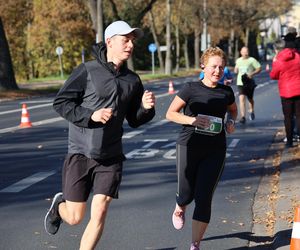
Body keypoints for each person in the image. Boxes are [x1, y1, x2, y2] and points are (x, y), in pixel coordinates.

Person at [44, 20, 156, 249]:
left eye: (132, 40)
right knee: (75, 217)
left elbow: (135, 120)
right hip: (81, 152)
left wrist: (146, 108)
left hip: (111, 155)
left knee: (101, 210)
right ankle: (59, 206)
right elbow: (61, 103)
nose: (130, 45)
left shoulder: (132, 80)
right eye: (125, 40)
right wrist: (90, 116)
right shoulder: (87, 70)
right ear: (109, 41)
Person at [166, 47, 237, 250]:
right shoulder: (190, 88)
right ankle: (180, 207)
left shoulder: (226, 91)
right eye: (214, 66)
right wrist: (192, 120)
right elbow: (170, 114)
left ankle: (195, 244)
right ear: (203, 66)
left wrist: (231, 122)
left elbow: (233, 110)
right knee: (186, 194)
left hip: (215, 150)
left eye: (221, 67)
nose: (217, 71)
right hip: (188, 146)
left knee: (204, 198)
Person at [270, 29, 300, 148]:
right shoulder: (297, 56)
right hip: (299, 89)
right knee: (299, 115)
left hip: (286, 91)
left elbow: (273, 75)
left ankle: (289, 141)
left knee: (288, 116)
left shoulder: (279, 60)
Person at [234, 46, 261, 124]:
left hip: (249, 82)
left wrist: (252, 73)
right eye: (244, 52)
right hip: (240, 82)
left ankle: (252, 110)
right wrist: (236, 70)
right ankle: (243, 117)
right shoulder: (238, 60)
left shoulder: (252, 60)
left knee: (250, 99)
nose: (245, 53)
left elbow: (259, 68)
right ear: (241, 52)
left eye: (247, 52)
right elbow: (236, 68)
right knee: (241, 99)